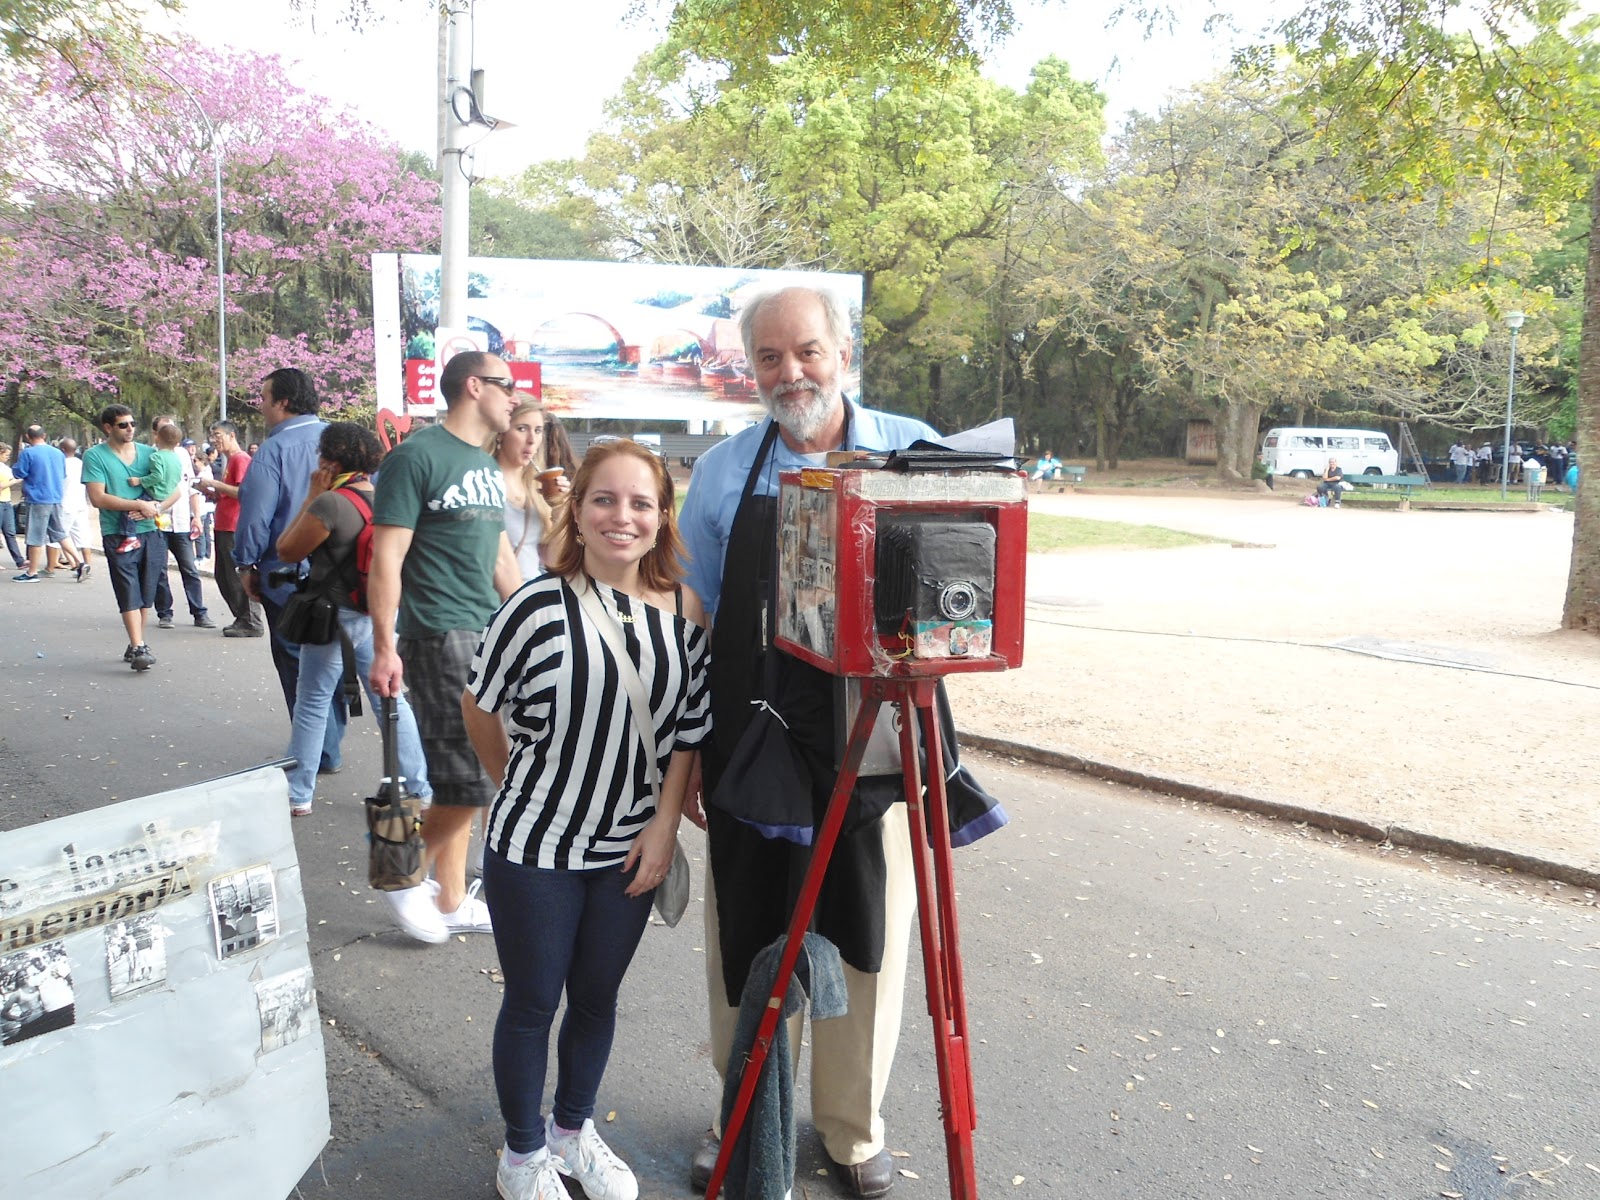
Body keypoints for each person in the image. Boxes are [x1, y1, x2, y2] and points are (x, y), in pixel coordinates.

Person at [677, 286, 952, 1199]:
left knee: (867, 935)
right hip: (751, 737)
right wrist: (691, 752)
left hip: (873, 740)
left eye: (806, 351)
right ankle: (743, 1110)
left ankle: (851, 1128)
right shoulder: (723, 473)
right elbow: (699, 610)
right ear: (750, 368)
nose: (789, 372)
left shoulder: (916, 453)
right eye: (769, 357)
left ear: (844, 354)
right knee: (748, 931)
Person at [462, 438, 710, 1200]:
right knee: (534, 1002)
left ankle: (570, 1133)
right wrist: (517, 786)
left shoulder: (686, 613)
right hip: (535, 847)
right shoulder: (535, 606)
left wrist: (664, 826)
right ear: (577, 509)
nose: (621, 517)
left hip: (628, 849)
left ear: (662, 516)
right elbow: (479, 705)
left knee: (598, 999)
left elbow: (688, 732)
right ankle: (522, 1153)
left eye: (640, 502)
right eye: (604, 499)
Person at [367, 351, 522, 944]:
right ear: (474, 386)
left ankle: (451, 898)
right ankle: (400, 874)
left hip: (485, 631)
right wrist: (385, 647)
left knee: (465, 776)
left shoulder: (482, 463)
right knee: (475, 779)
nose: (515, 397)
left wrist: (536, 621)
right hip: (437, 630)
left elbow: (499, 557)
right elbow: (388, 557)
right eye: (507, 385)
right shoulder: (416, 457)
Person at [273, 422, 432, 818]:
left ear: (331, 460)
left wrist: (312, 494)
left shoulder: (330, 504)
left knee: (312, 701)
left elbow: (287, 550)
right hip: (378, 613)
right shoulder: (385, 500)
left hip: (333, 617)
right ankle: (420, 787)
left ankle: (299, 793)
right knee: (391, 700)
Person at [234, 368, 346, 765]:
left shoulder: (273, 451)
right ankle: (330, 738)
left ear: (282, 402)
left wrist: (245, 564)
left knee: (296, 657)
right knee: (332, 654)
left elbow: (256, 517)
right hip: (342, 568)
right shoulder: (343, 440)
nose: (261, 407)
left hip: (288, 572)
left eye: (264, 398)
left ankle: (318, 748)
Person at [81, 405, 168, 671]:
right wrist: (137, 505)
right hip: (117, 532)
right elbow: (98, 497)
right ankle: (139, 646)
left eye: (132, 424)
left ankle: (136, 642)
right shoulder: (95, 456)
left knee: (146, 590)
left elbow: (173, 488)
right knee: (128, 587)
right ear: (108, 427)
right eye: (123, 425)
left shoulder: (150, 454)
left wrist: (155, 507)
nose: (130, 429)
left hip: (151, 530)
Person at [487, 399, 570, 580]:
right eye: (522, 429)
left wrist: (560, 508)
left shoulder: (537, 487)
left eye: (538, 430)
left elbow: (554, 561)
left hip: (531, 593)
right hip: (497, 594)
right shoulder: (485, 483)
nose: (532, 440)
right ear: (501, 433)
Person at [145, 417, 215, 630]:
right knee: (159, 569)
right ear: (156, 434)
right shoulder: (150, 456)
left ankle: (199, 612)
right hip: (158, 520)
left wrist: (197, 516)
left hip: (182, 521)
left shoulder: (183, 454)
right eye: (164, 429)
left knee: (190, 568)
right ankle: (165, 612)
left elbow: (189, 487)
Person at [200, 420, 265, 637]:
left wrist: (214, 484)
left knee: (236, 576)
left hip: (233, 526)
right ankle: (242, 618)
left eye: (218, 435)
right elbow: (229, 493)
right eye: (212, 436)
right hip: (223, 524)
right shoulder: (230, 461)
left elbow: (243, 493)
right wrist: (212, 492)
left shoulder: (240, 459)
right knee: (224, 576)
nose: (214, 440)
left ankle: (250, 621)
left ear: (232, 435)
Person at [11, 425, 80, 583]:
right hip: (55, 497)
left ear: (28, 437)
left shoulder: (28, 453)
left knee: (35, 536)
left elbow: (19, 473)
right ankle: (79, 562)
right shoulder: (58, 453)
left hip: (37, 499)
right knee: (60, 533)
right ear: (44, 435)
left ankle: (32, 572)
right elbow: (62, 474)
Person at [58, 439, 93, 582]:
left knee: (60, 535)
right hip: (81, 504)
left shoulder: (61, 464)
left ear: (62, 450)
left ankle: (76, 564)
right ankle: (87, 566)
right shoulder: (81, 464)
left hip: (65, 504)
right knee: (83, 537)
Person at [0, 444, 25, 570]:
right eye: (6, 454)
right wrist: (14, 481)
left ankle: (20, 561)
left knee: (10, 532)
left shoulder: (5, 468)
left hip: (6, 502)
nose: (7, 457)